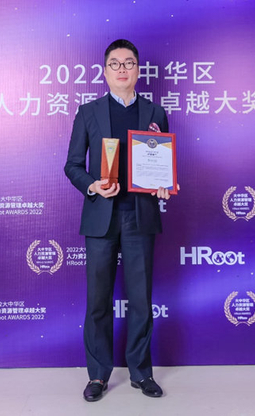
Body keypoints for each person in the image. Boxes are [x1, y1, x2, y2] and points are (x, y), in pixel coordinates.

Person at [64, 39, 173, 402]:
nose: (122, 69)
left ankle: (141, 373)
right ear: (105, 71)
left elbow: (162, 165)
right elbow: (72, 165)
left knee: (141, 298)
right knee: (98, 300)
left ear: (138, 70)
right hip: (101, 217)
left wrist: (163, 184)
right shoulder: (88, 112)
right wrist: (92, 185)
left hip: (140, 215)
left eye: (129, 63)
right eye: (115, 63)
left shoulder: (155, 113)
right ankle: (98, 375)